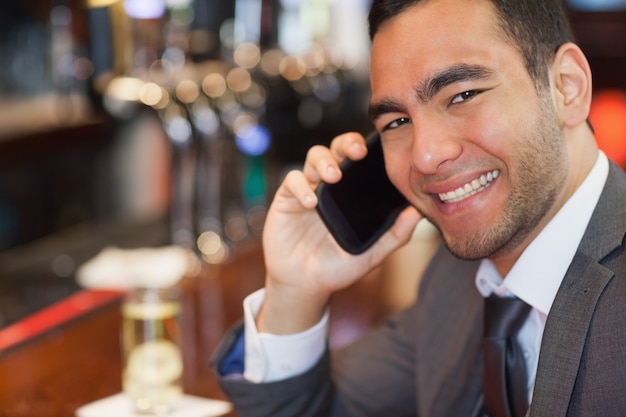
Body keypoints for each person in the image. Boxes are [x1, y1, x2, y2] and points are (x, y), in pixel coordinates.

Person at [211, 0, 626, 415]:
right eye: (396, 123)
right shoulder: (457, 280)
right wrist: (295, 289)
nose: (425, 156)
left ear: (567, 87)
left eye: (462, 95)